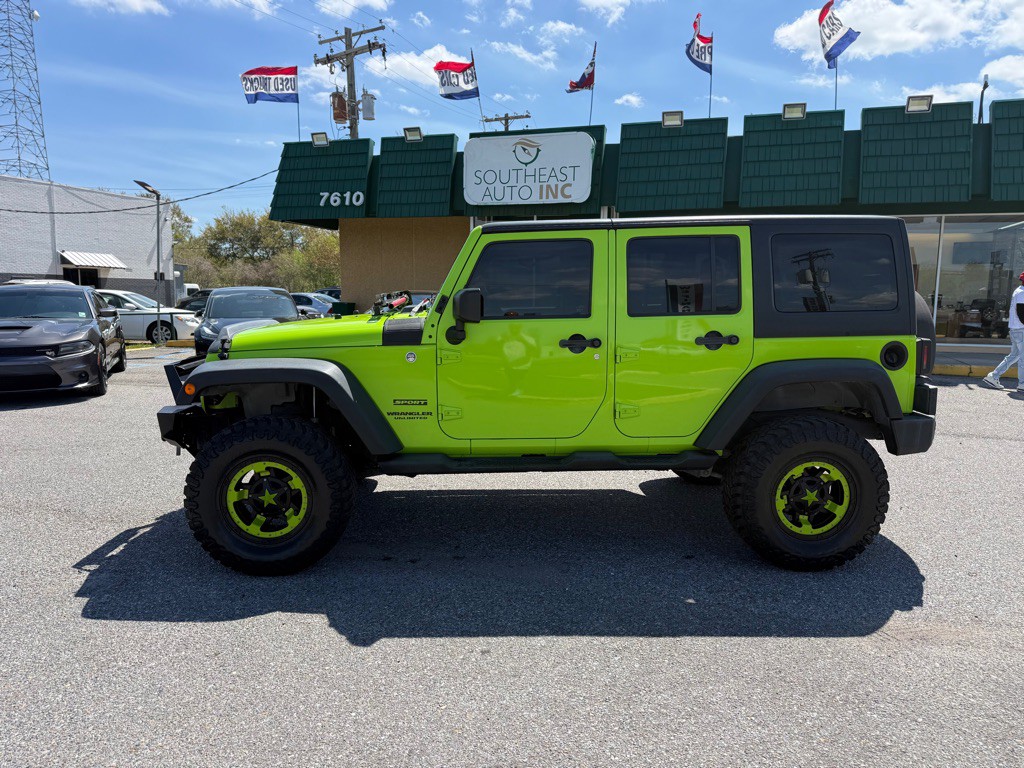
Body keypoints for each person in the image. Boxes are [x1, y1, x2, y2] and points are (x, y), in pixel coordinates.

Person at [982, 271, 1024, 392]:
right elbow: (1022, 314)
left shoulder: (1019, 291)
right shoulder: (1022, 293)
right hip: (1021, 330)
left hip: (1017, 330)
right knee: (1022, 358)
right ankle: (1022, 384)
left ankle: (993, 376)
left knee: (1014, 356)